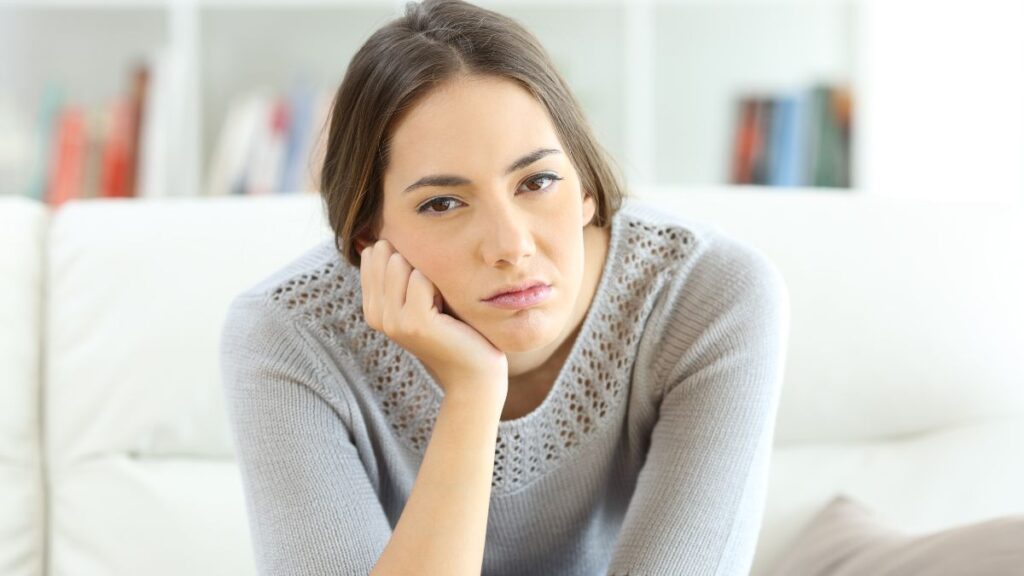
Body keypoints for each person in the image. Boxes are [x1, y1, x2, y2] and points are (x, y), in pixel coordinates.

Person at [219, 0, 790, 574]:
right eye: (442, 203)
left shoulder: (709, 298)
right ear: (369, 236)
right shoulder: (290, 337)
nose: (510, 246)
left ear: (587, 185)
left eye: (537, 181)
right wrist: (471, 392)